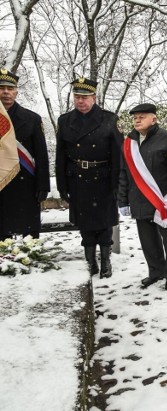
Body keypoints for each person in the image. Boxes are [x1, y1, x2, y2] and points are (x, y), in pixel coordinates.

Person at [118, 103, 167, 290]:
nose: (137, 119)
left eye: (142, 116)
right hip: (139, 201)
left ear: (154, 118)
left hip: (164, 202)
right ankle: (155, 271)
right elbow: (124, 173)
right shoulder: (129, 142)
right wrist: (123, 201)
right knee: (148, 242)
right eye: (135, 117)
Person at [55, 77, 121, 278]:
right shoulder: (65, 121)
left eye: (84, 97)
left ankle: (106, 261)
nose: (80, 101)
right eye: (77, 97)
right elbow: (61, 156)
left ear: (94, 97)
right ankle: (90, 261)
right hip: (78, 178)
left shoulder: (109, 119)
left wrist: (117, 183)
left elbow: (118, 155)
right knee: (85, 224)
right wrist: (62, 185)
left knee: (104, 222)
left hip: (103, 177)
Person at [0, 69, 50, 240]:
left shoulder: (31, 119)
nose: (6, 92)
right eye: (1, 88)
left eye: (10, 88)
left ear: (16, 91)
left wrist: (43, 185)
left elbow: (41, 155)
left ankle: (30, 259)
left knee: (28, 228)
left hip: (25, 182)